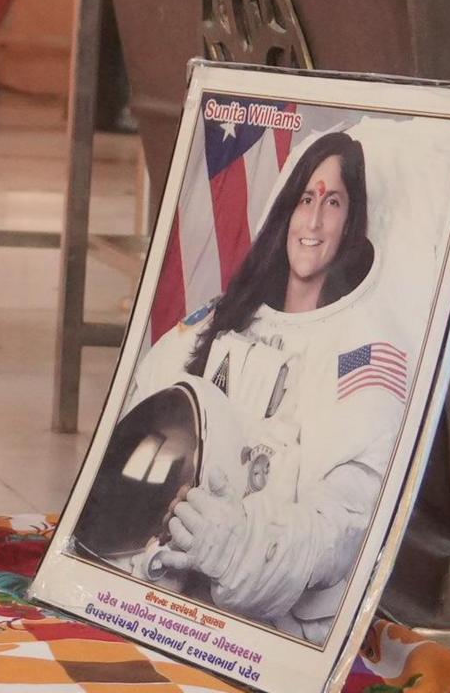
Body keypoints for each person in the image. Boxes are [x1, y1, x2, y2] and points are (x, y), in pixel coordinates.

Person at [96, 129, 406, 638]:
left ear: (354, 221)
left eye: (332, 203)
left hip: (265, 632)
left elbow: (344, 525)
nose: (312, 220)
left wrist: (241, 545)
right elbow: (129, 439)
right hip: (149, 596)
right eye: (305, 198)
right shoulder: (214, 324)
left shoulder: (363, 362)